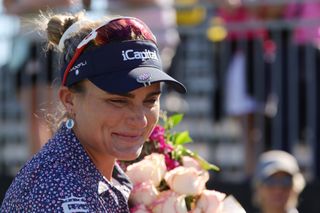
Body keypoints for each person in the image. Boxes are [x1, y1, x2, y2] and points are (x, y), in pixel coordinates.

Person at [0, 12, 186, 212]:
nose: (140, 120)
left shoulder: (89, 169)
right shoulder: (59, 193)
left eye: (151, 101)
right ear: (69, 100)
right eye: (118, 101)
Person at [2, 0, 82, 155]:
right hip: (24, 47)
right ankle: (38, 170)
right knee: (32, 117)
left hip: (52, 45)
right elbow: (9, 7)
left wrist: (25, 5)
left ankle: (56, 165)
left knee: (52, 115)